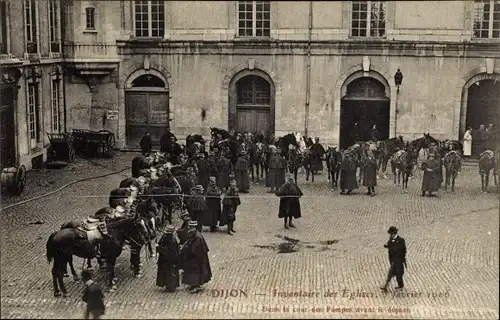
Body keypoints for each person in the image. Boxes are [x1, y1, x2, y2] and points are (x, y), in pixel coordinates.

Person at [180, 223, 212, 293]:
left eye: (190, 227)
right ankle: (193, 284)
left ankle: (196, 285)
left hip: (197, 259)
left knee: (196, 272)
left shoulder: (198, 237)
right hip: (194, 258)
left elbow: (193, 250)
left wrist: (185, 249)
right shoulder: (193, 234)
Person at [380, 226, 407, 292]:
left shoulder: (401, 240)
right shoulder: (391, 239)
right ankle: (386, 286)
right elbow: (389, 245)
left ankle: (400, 285)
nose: (391, 235)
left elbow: (404, 249)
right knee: (391, 273)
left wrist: (401, 257)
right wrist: (387, 246)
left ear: (395, 233)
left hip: (399, 260)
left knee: (398, 274)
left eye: (392, 233)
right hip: (393, 260)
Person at [156, 225, 180, 293]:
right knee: (165, 274)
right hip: (164, 260)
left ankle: (171, 287)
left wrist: (159, 248)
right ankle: (167, 285)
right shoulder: (165, 236)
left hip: (170, 261)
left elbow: (169, 252)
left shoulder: (172, 241)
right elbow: (161, 243)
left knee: (170, 274)